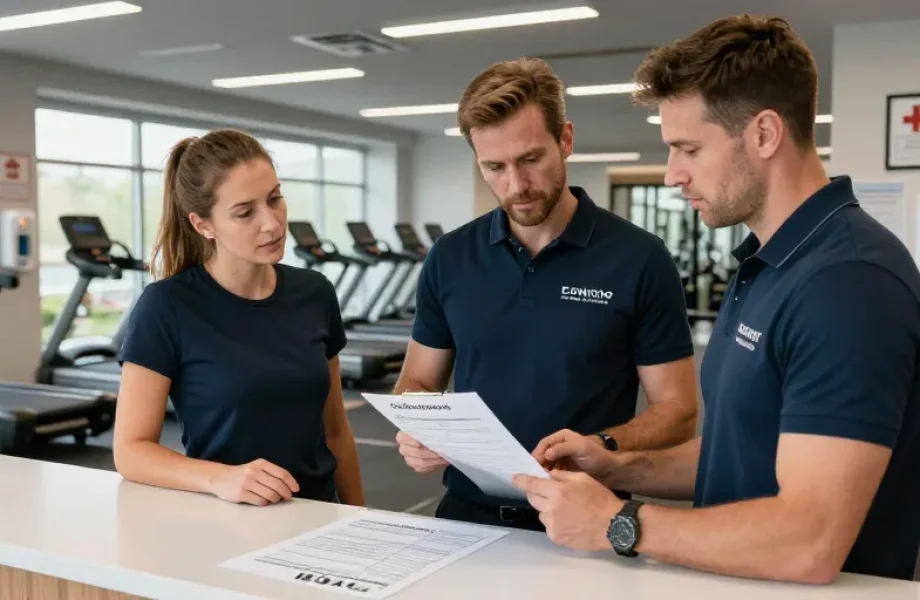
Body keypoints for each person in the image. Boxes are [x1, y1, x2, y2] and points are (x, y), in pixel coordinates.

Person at [512, 14, 920, 584]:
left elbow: (811, 540)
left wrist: (619, 523)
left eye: (688, 148)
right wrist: (618, 467)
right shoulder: (768, 263)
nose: (672, 175)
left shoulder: (848, 282)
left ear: (764, 134)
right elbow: (738, 449)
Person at [394, 58, 700, 530]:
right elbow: (417, 379)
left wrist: (603, 444)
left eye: (530, 159)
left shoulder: (640, 258)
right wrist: (417, 424)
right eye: (494, 167)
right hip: (464, 517)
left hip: (586, 517)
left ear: (566, 140)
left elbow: (679, 412)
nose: (515, 185)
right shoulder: (450, 256)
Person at [113, 128, 365, 508]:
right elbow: (131, 451)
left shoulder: (315, 292)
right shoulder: (167, 306)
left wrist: (359, 516)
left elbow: (335, 431)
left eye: (275, 199)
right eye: (245, 212)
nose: (272, 223)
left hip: (319, 514)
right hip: (228, 517)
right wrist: (221, 478)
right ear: (203, 225)